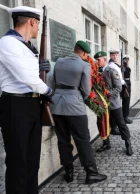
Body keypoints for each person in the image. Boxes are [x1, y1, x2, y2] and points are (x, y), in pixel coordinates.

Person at [0, 6, 54, 194]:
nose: (38, 29)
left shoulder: (27, 46)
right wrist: (48, 90)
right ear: (32, 22)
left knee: (32, 160)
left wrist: (41, 69)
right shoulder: (8, 43)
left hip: (31, 104)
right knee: (18, 161)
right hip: (15, 106)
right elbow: (26, 77)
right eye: (38, 24)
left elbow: (32, 75)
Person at [50, 41, 107, 184]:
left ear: (74, 50)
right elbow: (86, 91)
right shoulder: (84, 65)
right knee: (82, 139)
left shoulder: (59, 62)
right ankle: (91, 173)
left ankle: (68, 172)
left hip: (57, 106)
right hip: (75, 106)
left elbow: (52, 81)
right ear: (84, 53)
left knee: (63, 140)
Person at [97, 49, 133, 156]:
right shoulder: (97, 71)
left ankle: (128, 143)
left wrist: (107, 94)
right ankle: (106, 143)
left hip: (113, 103)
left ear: (104, 60)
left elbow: (118, 88)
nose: (96, 62)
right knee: (101, 123)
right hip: (101, 104)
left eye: (98, 60)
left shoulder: (112, 70)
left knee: (121, 124)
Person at [122, 55, 133, 124]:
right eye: (125, 60)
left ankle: (125, 116)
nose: (126, 61)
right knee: (126, 101)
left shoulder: (127, 68)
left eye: (127, 60)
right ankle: (125, 117)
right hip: (125, 85)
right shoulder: (123, 68)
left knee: (127, 101)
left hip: (128, 84)